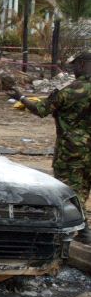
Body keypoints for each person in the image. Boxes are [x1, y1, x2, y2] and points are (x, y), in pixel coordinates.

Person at [10, 49, 91, 243]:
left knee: (69, 192)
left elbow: (41, 109)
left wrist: (21, 97)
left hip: (71, 153)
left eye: (74, 66)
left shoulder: (71, 91)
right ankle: (83, 231)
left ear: (81, 65)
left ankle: (77, 233)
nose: (73, 70)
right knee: (84, 190)